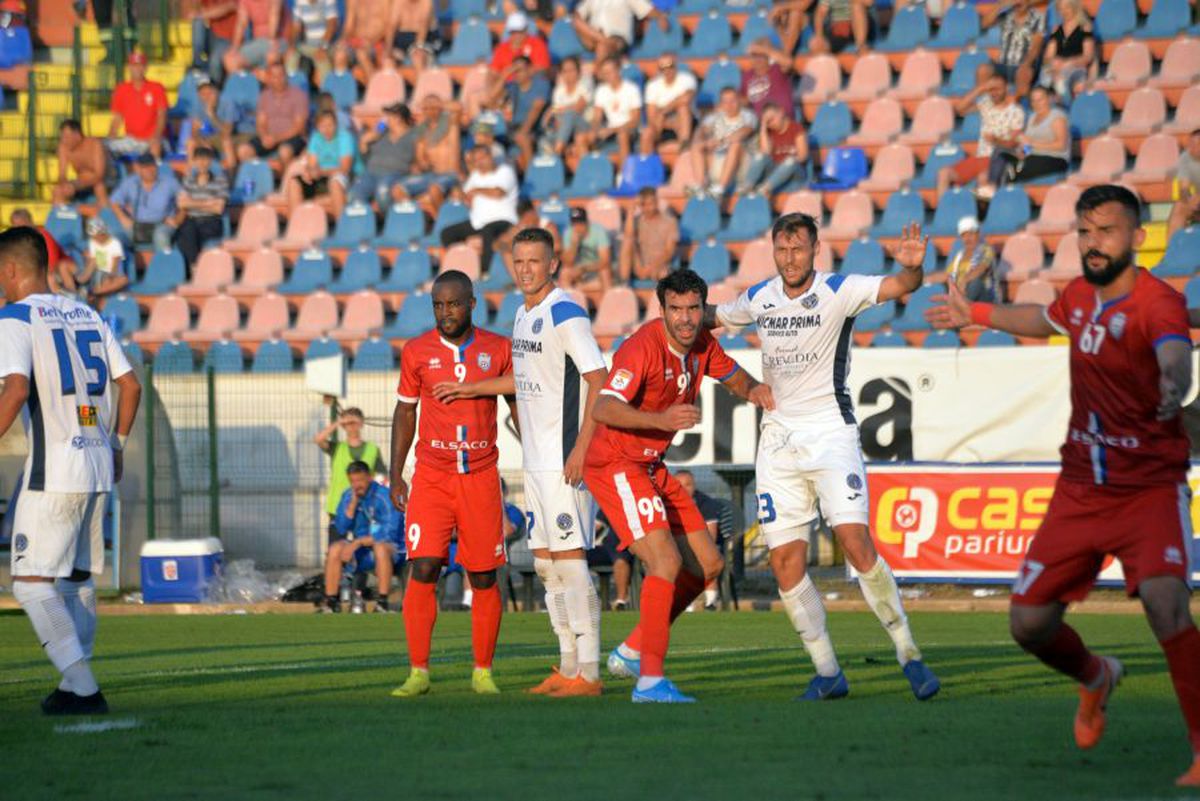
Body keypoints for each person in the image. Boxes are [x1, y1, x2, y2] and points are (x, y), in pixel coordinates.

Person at [926, 184, 1200, 788]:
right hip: (1080, 490)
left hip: (1149, 488)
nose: (1093, 243)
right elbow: (1043, 319)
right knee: (1028, 624)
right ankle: (1097, 676)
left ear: (1137, 237)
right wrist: (976, 314)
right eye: (1084, 232)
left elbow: (1175, 354)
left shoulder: (1157, 302)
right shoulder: (1078, 295)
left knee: (1165, 602)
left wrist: (1173, 385)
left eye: (1106, 231)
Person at [709, 213, 941, 701]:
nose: (789, 258)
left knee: (855, 543)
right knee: (784, 561)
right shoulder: (759, 297)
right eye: (782, 249)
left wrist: (913, 269)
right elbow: (711, 317)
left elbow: (902, 285)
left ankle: (908, 653)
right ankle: (828, 671)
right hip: (778, 440)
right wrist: (674, 310)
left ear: (816, 249)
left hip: (831, 434)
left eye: (798, 249)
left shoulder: (840, 290)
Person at [433, 227, 609, 697]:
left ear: (553, 264)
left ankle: (590, 673)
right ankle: (567, 666)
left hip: (564, 461)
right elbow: (524, 379)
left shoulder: (566, 313)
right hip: (535, 461)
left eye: (535, 261)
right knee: (547, 567)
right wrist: (471, 388)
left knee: (571, 565)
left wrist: (582, 448)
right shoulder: (523, 313)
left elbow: (599, 378)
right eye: (520, 261)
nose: (526, 269)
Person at [588, 269, 773, 703]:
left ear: (702, 309)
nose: (685, 318)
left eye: (693, 309)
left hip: (651, 466)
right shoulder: (642, 348)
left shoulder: (702, 344)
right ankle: (650, 682)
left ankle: (633, 650)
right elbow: (603, 407)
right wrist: (660, 420)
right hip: (617, 464)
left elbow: (737, 379)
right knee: (665, 562)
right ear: (662, 310)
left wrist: (759, 392)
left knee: (708, 565)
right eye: (676, 309)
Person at [0, 225, 142, 716]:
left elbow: (16, 389)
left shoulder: (15, 317)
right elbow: (131, 385)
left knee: (29, 582)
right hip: (99, 464)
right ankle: (71, 686)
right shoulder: (88, 313)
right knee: (76, 578)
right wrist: (117, 444)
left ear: (10, 269)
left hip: (55, 469)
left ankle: (83, 685)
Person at [389, 270, 517, 697]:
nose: (446, 312)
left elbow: (517, 403)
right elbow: (405, 412)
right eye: (438, 305)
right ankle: (418, 671)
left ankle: (482, 671)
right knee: (424, 566)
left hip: (480, 475)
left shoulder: (498, 348)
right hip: (432, 475)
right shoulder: (416, 351)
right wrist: (396, 474)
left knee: (482, 576)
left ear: (472, 304)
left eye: (454, 304)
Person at [322, 460, 404, 613]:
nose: (356, 485)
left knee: (380, 548)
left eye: (360, 480)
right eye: (352, 481)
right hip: (363, 550)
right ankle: (331, 602)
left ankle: (382, 603)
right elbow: (341, 528)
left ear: (369, 477)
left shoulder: (384, 496)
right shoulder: (348, 496)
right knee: (335, 549)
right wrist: (352, 506)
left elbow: (389, 533)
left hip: (393, 550)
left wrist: (358, 542)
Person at [938, 73, 1024, 199]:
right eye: (991, 89)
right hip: (980, 157)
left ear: (1006, 88)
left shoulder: (1016, 111)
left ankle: (984, 210)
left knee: (983, 177)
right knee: (944, 173)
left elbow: (1013, 143)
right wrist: (980, 88)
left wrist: (996, 140)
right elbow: (959, 109)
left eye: (998, 89)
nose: (994, 93)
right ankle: (943, 209)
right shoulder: (986, 104)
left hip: (998, 160)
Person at [440, 144, 518, 276]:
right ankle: (464, 261)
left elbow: (498, 192)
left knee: (488, 231)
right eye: (476, 160)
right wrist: (458, 193)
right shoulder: (475, 176)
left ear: (490, 156)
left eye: (482, 158)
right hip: (477, 222)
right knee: (447, 234)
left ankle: (483, 271)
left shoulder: (505, 171)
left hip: (503, 219)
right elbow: (466, 196)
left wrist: (476, 190)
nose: (480, 162)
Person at [315, 406, 387, 544]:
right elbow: (318, 439)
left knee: (361, 547)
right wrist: (338, 422)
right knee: (336, 547)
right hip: (338, 506)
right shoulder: (337, 448)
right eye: (348, 423)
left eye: (355, 422)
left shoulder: (372, 449)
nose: (352, 427)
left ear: (361, 423)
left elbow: (382, 476)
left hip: (364, 507)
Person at [674, 469, 734, 611]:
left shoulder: (706, 504)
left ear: (694, 486)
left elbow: (711, 536)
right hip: (678, 546)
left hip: (704, 545)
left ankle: (710, 603)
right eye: (679, 485)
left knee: (707, 559)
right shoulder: (666, 503)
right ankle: (683, 605)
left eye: (688, 485)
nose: (684, 489)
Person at [239, 60, 309, 174]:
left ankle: (286, 181)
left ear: (286, 76)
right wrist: (264, 137)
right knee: (244, 151)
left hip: (292, 138)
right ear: (269, 78)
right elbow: (261, 122)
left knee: (284, 152)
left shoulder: (299, 95)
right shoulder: (264, 96)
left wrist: (276, 138)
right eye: (274, 76)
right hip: (269, 137)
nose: (278, 79)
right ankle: (259, 177)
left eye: (281, 75)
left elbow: (299, 127)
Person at [286, 110, 355, 218]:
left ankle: (342, 223)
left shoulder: (345, 137)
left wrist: (321, 172)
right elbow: (312, 164)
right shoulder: (316, 138)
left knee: (335, 183)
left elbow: (345, 167)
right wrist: (309, 173)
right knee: (294, 182)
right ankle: (296, 222)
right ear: (317, 127)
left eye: (330, 125)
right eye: (323, 126)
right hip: (320, 177)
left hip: (338, 175)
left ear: (336, 125)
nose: (327, 129)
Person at [576, 57, 642, 167]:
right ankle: (589, 170)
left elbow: (634, 120)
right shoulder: (601, 90)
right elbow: (597, 117)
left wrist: (613, 129)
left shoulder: (631, 89)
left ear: (618, 71)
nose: (608, 76)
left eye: (610, 72)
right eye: (605, 73)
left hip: (628, 129)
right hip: (610, 129)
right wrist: (595, 129)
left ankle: (624, 172)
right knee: (581, 138)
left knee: (622, 135)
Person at [351, 101, 419, 208]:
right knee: (356, 193)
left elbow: (419, 158)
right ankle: (365, 218)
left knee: (383, 190)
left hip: (395, 174)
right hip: (371, 173)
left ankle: (389, 217)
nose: (386, 119)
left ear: (398, 118)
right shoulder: (381, 134)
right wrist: (365, 142)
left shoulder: (413, 135)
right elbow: (365, 155)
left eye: (389, 116)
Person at [488, 55, 551, 171]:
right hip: (514, 129)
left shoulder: (541, 84)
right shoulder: (513, 87)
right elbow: (491, 97)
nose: (516, 74)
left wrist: (523, 131)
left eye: (520, 70)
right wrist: (504, 76)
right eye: (514, 71)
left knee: (523, 138)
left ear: (530, 70)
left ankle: (533, 174)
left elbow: (536, 109)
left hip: (534, 128)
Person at [109, 152, 181, 252]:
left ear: (156, 167)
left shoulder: (170, 182)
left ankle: (163, 261)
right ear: (138, 169)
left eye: (152, 166)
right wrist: (123, 218)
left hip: (161, 225)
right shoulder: (130, 182)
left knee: (160, 236)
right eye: (145, 167)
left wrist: (177, 219)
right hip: (138, 226)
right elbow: (114, 201)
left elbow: (184, 203)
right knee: (114, 238)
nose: (149, 170)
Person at [693, 87, 756, 198]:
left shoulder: (748, 115)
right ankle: (701, 186)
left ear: (739, 100)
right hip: (719, 158)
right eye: (725, 101)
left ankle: (720, 188)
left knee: (735, 144)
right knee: (697, 146)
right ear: (721, 103)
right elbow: (701, 132)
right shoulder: (715, 117)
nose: (729, 105)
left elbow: (745, 131)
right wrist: (706, 142)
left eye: (732, 100)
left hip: (742, 164)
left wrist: (721, 141)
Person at [174, 147, 230, 269]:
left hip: (211, 221)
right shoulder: (189, 180)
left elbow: (218, 209)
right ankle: (195, 266)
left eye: (205, 160)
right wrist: (208, 203)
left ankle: (195, 267)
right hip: (192, 219)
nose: (202, 163)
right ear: (194, 162)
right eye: (199, 160)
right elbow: (181, 204)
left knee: (193, 233)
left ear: (210, 161)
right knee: (185, 231)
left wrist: (192, 203)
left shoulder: (220, 181)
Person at [736, 102, 808, 196]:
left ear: (781, 112)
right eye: (767, 122)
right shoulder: (769, 132)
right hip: (775, 172)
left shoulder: (796, 128)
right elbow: (765, 154)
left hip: (795, 173)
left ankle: (765, 188)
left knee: (790, 161)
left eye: (772, 119)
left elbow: (803, 156)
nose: (770, 124)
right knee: (759, 156)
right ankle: (748, 186)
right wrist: (763, 128)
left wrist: (786, 164)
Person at [108, 51, 169, 159]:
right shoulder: (121, 89)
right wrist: (111, 137)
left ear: (145, 68)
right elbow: (117, 118)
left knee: (155, 147)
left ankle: (157, 168)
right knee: (103, 147)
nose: (137, 69)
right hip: (131, 140)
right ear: (129, 68)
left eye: (140, 66)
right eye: (134, 66)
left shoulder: (156, 88)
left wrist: (155, 137)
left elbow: (162, 116)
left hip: (152, 139)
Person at [982, 0, 1044, 98]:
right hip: (1003, 64)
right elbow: (984, 23)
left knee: (1023, 73)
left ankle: (1020, 104)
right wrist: (1001, 4)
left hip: (1024, 63)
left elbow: (1036, 47)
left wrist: (1026, 64)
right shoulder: (1006, 15)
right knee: (983, 70)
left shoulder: (1038, 17)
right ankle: (985, 102)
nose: (1019, 3)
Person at [573, 0, 667, 63]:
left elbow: (648, 10)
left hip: (618, 38)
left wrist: (660, 16)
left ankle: (596, 74)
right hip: (594, 36)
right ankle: (603, 40)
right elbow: (578, 14)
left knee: (602, 47)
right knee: (576, 21)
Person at [1012, 85, 1071, 184]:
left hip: (1055, 159)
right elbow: (1028, 146)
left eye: (1040, 100)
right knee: (1008, 163)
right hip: (1033, 158)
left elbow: (1061, 145)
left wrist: (1032, 143)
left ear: (1048, 99)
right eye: (1033, 101)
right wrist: (1023, 152)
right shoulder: (1031, 118)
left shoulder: (1057, 117)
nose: (1036, 104)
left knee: (1022, 169)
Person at [619, 187, 678, 284]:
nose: (648, 208)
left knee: (664, 273)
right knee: (627, 241)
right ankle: (623, 283)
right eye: (643, 204)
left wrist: (650, 267)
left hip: (659, 264)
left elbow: (669, 252)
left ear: (656, 202)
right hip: (638, 264)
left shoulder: (670, 222)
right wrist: (630, 211)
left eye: (650, 204)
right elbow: (628, 237)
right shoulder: (637, 220)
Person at [1040, 0, 1095, 101]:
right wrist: (1054, 62)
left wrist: (1069, 62)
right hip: (1057, 66)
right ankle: (1049, 102)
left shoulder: (1085, 28)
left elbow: (1088, 56)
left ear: (1074, 7)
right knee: (1045, 75)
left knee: (1064, 77)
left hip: (1076, 67)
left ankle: (1065, 104)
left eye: (1067, 7)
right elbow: (1048, 56)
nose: (1064, 11)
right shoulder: (1056, 29)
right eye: (1061, 9)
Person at [542, 56, 592, 158]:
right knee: (543, 139)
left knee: (570, 114)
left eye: (572, 70)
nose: (568, 74)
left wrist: (555, 111)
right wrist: (553, 114)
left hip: (584, 124)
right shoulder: (559, 90)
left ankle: (557, 152)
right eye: (565, 71)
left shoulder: (585, 83)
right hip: (565, 127)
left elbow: (578, 108)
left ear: (578, 71)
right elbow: (554, 114)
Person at [54, 119, 112, 207]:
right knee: (58, 190)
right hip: (81, 182)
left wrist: (77, 185)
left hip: (105, 180)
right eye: (62, 137)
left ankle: (105, 212)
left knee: (99, 186)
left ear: (77, 135)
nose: (64, 140)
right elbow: (62, 174)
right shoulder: (64, 147)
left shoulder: (94, 144)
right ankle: (60, 214)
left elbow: (99, 175)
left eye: (67, 137)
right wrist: (64, 184)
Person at [643, 54, 696, 147]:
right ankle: (646, 156)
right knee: (647, 133)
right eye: (663, 68)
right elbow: (651, 116)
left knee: (683, 109)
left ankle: (684, 147)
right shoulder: (652, 85)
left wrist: (663, 111)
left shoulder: (687, 79)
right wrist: (669, 124)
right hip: (663, 124)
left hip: (688, 122)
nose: (667, 70)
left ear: (675, 66)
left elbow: (686, 98)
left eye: (670, 66)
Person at [941, 216, 996, 302]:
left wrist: (964, 281)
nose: (967, 239)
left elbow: (981, 269)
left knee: (975, 283)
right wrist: (925, 279)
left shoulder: (986, 250)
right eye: (964, 235)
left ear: (978, 234)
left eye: (971, 234)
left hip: (985, 298)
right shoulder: (959, 256)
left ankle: (958, 304)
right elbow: (947, 274)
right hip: (962, 294)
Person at [559, 207, 613, 292]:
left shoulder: (599, 231)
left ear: (586, 222)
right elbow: (567, 262)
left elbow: (605, 261)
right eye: (574, 224)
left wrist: (584, 269)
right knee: (564, 272)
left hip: (595, 269)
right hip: (578, 271)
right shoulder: (568, 233)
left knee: (605, 272)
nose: (578, 227)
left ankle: (607, 299)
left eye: (581, 223)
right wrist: (574, 245)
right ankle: (568, 297)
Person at [76, 219, 129, 302]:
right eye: (93, 236)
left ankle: (93, 292)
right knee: (85, 272)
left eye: (96, 236)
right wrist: (85, 275)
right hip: (97, 272)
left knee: (123, 280)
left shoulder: (115, 243)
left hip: (111, 274)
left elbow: (115, 265)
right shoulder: (92, 242)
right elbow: (93, 262)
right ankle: (84, 287)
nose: (94, 238)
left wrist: (110, 277)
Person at [741, 40, 795, 121]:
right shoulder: (747, 76)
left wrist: (762, 49)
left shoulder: (777, 69)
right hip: (762, 122)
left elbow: (789, 63)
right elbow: (744, 100)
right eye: (754, 55)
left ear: (768, 56)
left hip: (783, 119)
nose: (757, 59)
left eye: (761, 55)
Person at [288, 0, 338, 84]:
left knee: (322, 63)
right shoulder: (300, 2)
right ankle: (291, 88)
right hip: (307, 45)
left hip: (326, 45)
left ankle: (328, 89)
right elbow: (296, 26)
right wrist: (291, 46)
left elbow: (332, 25)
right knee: (291, 56)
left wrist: (323, 47)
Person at [227, 0, 286, 70]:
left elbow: (274, 18)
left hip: (278, 41)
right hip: (258, 43)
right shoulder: (245, 2)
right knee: (229, 59)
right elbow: (241, 24)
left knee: (271, 56)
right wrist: (234, 48)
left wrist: (271, 43)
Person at [341, 0, 394, 73]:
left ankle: (374, 80)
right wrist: (342, 41)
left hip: (377, 42)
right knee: (339, 53)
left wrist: (370, 42)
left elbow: (387, 26)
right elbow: (349, 26)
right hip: (356, 42)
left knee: (361, 53)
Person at [192, 0, 238, 81]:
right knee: (198, 22)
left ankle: (215, 85)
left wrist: (202, 14)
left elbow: (230, 6)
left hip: (227, 38)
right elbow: (195, 7)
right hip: (211, 36)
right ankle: (198, 66)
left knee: (214, 62)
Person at [1167, 130, 1200, 239]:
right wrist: (1188, 201)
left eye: (1197, 144)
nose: (1193, 148)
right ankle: (1173, 246)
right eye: (1192, 144)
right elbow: (1184, 188)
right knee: (1180, 206)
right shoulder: (1186, 158)